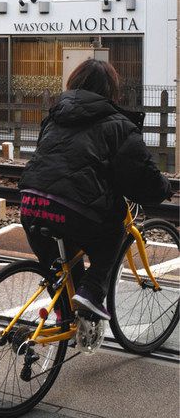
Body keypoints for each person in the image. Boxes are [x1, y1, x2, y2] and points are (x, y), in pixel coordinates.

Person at [18, 59, 172, 320]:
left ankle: (65, 314)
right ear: (112, 90)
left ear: (74, 83)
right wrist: (163, 188)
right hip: (74, 211)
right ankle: (91, 294)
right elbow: (141, 174)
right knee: (114, 233)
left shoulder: (54, 117)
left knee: (62, 267)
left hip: (31, 205)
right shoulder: (119, 125)